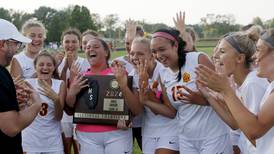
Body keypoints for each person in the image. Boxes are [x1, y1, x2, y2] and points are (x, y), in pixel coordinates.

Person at [150, 28, 232, 154]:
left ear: (175, 45)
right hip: (187, 140)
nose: (158, 55)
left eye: (162, 49)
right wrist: (146, 98)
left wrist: (201, 100)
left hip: (214, 135)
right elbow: (172, 111)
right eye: (154, 52)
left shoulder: (197, 59)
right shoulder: (162, 73)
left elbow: (224, 94)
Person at [196, 29, 274, 154]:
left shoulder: (253, 83)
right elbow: (237, 124)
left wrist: (226, 91)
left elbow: (254, 133)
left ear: (239, 58)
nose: (254, 56)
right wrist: (212, 95)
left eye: (258, 50)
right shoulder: (250, 84)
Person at [66, 38, 133, 154]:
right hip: (87, 134)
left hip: (117, 132)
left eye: (96, 47)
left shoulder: (119, 73)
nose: (90, 49)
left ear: (106, 52)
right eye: (87, 47)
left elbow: (131, 103)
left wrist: (129, 118)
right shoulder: (80, 77)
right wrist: (72, 92)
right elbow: (70, 107)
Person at [115, 37, 180, 154]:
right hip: (149, 129)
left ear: (151, 55)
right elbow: (138, 110)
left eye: (140, 54)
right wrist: (124, 87)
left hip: (171, 127)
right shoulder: (133, 74)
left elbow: (170, 113)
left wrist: (144, 84)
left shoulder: (164, 72)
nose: (134, 57)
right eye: (132, 53)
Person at [0, 18, 42, 153]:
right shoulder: (1, 74)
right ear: (2, 44)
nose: (16, 49)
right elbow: (12, 127)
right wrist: (36, 105)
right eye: (15, 43)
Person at [22, 52, 65, 153]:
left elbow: (59, 117)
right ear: (35, 67)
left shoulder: (60, 84)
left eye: (49, 65)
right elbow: (20, 113)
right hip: (30, 140)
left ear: (54, 67)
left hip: (53, 141)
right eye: (41, 64)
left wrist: (56, 99)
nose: (45, 67)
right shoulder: (27, 84)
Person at [113, 20, 144, 150]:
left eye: (133, 42)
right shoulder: (117, 62)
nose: (130, 46)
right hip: (126, 122)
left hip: (145, 122)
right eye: (127, 42)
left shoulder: (149, 61)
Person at [58, 28, 89, 154]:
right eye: (67, 42)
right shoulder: (57, 63)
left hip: (81, 110)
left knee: (79, 149)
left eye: (74, 42)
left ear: (79, 43)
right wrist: (64, 67)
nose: (70, 45)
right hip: (63, 113)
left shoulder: (86, 63)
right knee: (65, 148)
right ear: (62, 43)